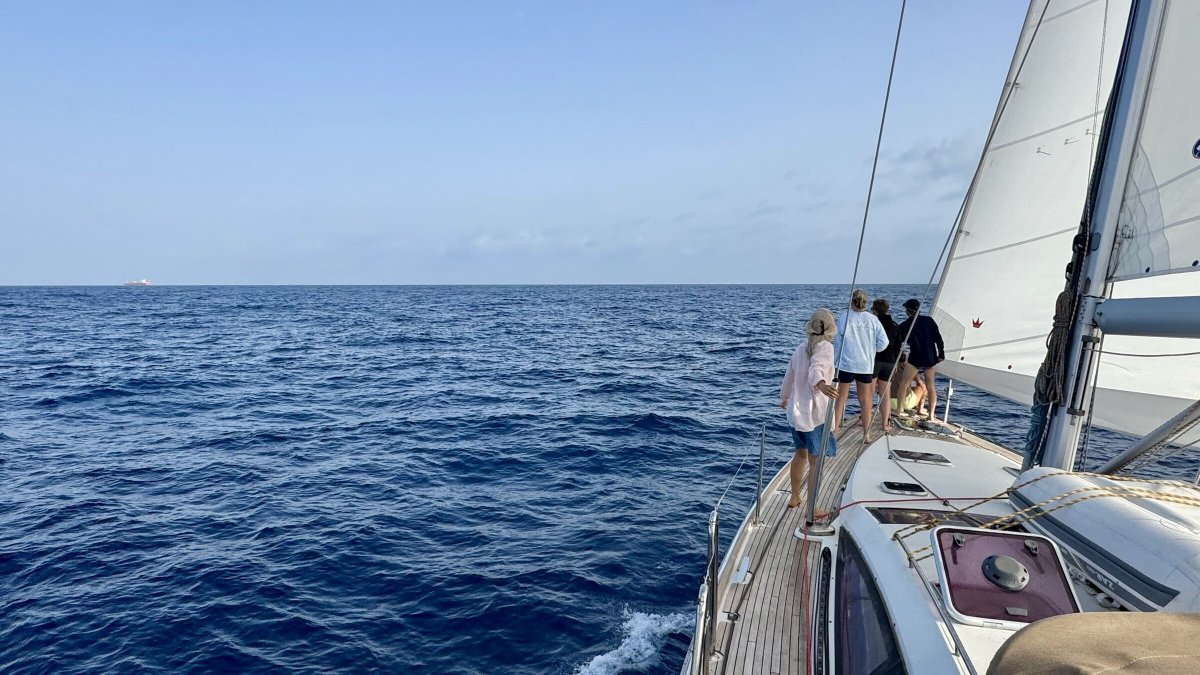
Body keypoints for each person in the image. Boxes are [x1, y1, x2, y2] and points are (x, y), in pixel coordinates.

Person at [780, 308, 839, 509]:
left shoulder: (800, 348)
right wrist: (822, 385)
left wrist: (784, 397)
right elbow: (817, 369)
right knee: (815, 462)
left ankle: (794, 497)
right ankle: (812, 508)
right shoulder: (825, 348)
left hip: (795, 414)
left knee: (800, 455)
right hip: (814, 416)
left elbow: (789, 375)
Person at [833, 289, 889, 443]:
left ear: (852, 302)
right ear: (866, 303)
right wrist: (872, 350)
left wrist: (835, 362)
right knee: (865, 400)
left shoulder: (844, 317)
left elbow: (838, 342)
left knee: (841, 399)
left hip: (845, 364)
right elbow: (884, 342)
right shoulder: (873, 320)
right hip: (865, 365)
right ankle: (866, 434)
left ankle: (835, 431)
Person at [897, 298, 945, 420]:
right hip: (930, 358)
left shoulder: (905, 325)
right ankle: (931, 415)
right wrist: (941, 354)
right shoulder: (929, 321)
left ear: (908, 311)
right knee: (931, 386)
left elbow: (897, 342)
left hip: (916, 359)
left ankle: (899, 410)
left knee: (904, 384)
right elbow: (938, 338)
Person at [870, 298, 902, 434]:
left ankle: (864, 420)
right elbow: (898, 346)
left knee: (868, 393)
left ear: (875, 310)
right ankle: (885, 424)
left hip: (874, 361)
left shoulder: (873, 324)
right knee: (885, 394)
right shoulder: (895, 325)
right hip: (889, 362)